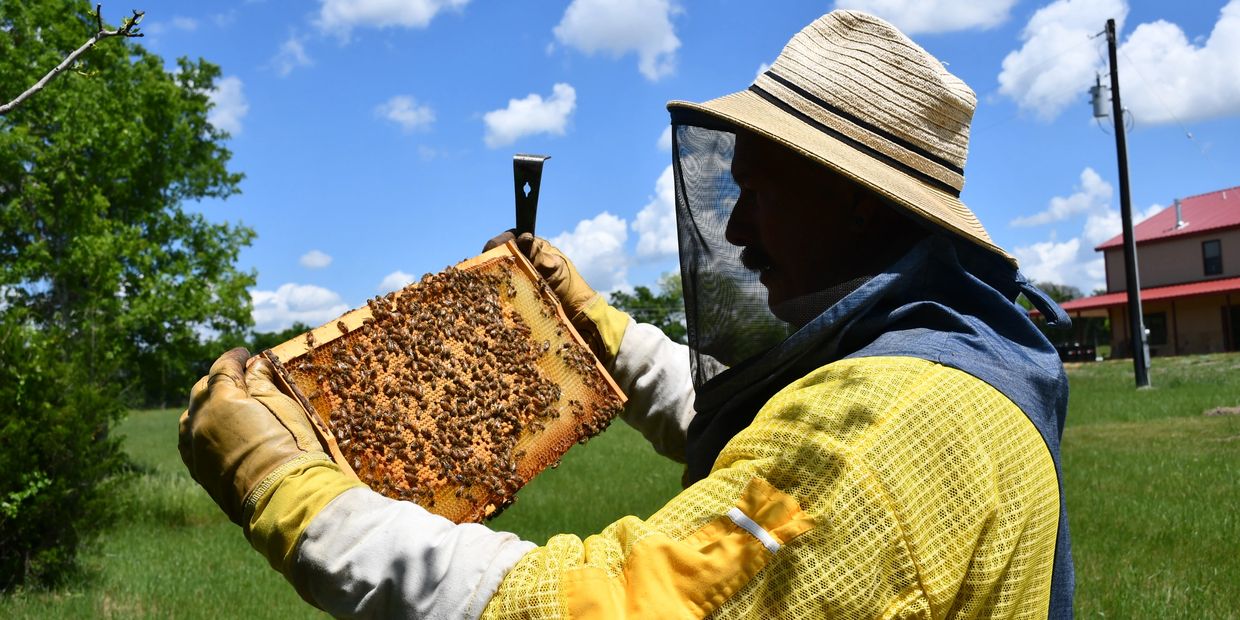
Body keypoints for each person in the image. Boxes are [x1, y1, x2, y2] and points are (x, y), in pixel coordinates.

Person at [179, 10, 1073, 619]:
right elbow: (768, 433)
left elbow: (617, 602)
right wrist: (598, 335)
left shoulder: (888, 430)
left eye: (763, 189)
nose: (733, 223)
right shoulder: (948, 367)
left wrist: (295, 497)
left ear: (859, 206)